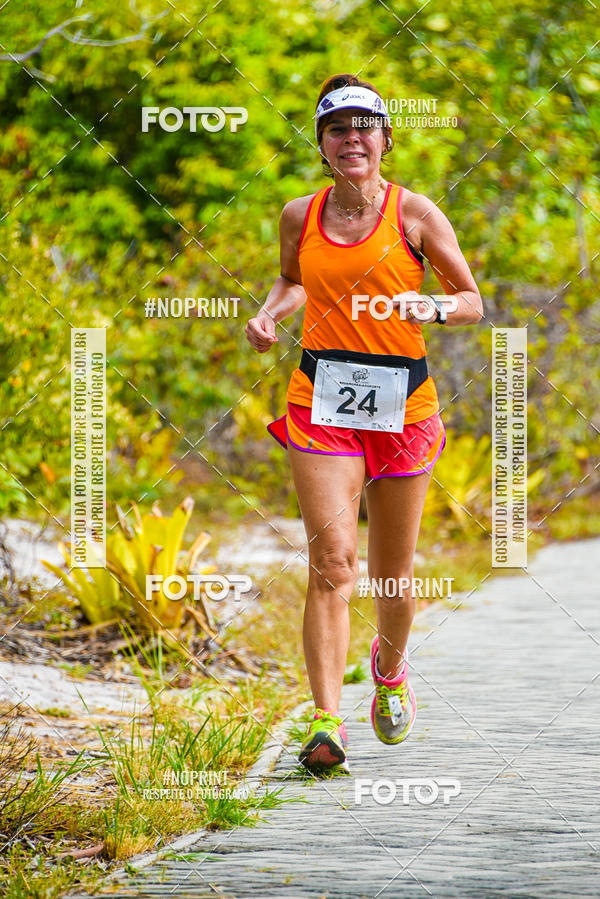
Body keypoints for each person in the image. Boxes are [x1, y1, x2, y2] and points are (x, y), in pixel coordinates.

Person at [245, 73, 482, 772]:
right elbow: (292, 280)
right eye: (337, 128)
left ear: (384, 138)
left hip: (401, 403)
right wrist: (269, 314)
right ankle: (325, 723)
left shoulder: (415, 214)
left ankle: (389, 666)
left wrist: (431, 309)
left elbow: (469, 298)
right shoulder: (299, 213)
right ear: (322, 145)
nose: (352, 138)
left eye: (363, 126)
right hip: (322, 398)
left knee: (394, 580)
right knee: (332, 563)